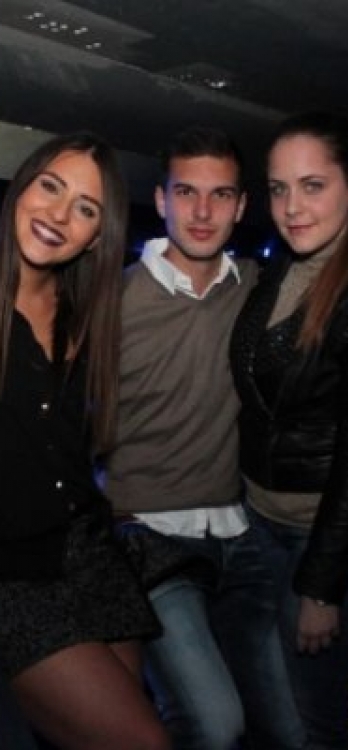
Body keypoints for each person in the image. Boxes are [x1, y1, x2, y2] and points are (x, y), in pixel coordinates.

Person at [104, 125, 306, 750]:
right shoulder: (111, 301)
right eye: (186, 192)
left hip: (242, 538)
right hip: (151, 540)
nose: (201, 211)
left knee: (293, 728)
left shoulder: (256, 290)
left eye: (220, 195)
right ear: (160, 199)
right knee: (216, 725)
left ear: (242, 206)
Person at [0, 132, 172, 750]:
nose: (58, 214)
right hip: (13, 573)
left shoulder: (82, 316)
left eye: (85, 207)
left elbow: (65, 447)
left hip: (91, 554)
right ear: (22, 187)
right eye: (50, 186)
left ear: (98, 236)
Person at [230, 111, 348, 749]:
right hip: (257, 523)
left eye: (312, 185)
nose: (292, 207)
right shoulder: (279, 272)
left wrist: (323, 587)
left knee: (322, 726)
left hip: (315, 541)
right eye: (278, 188)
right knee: (273, 716)